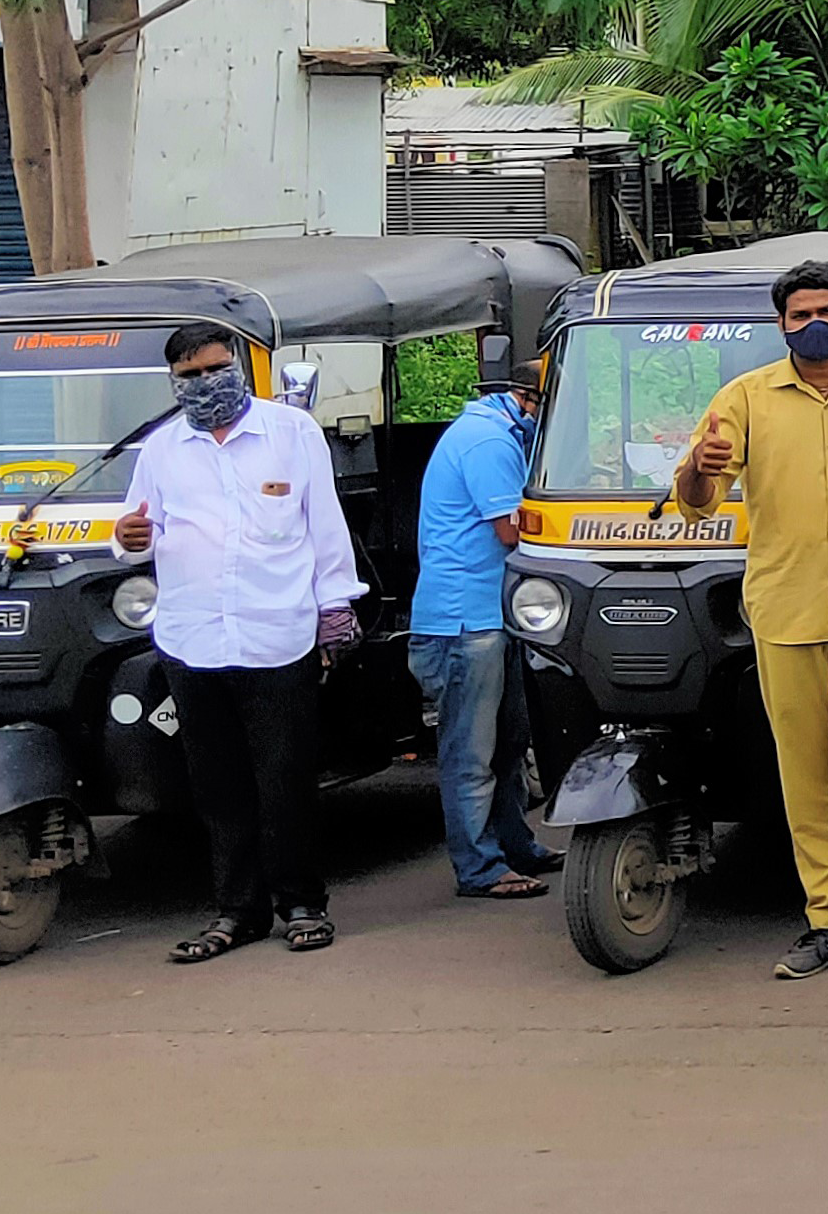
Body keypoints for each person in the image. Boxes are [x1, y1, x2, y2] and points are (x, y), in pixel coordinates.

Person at [679, 260, 828, 977]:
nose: (815, 323)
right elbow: (698, 496)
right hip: (783, 611)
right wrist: (700, 463)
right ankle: (825, 918)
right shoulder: (745, 399)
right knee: (806, 774)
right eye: (799, 315)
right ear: (781, 326)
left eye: (827, 309)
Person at [115, 320, 366, 963]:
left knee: (284, 777)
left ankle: (302, 903)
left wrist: (333, 607)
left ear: (241, 366)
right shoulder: (162, 449)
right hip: (192, 640)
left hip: (278, 635)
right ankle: (236, 912)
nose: (206, 383)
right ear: (174, 382)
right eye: (190, 375)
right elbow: (135, 530)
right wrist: (129, 539)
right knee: (217, 785)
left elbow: (325, 526)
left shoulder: (292, 434)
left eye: (216, 368)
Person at [411, 357, 564, 899]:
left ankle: (515, 846)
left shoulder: (490, 430)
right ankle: (479, 868)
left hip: (489, 617)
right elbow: (512, 531)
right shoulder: (491, 443)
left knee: (509, 743)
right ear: (530, 401)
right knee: (471, 754)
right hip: (463, 621)